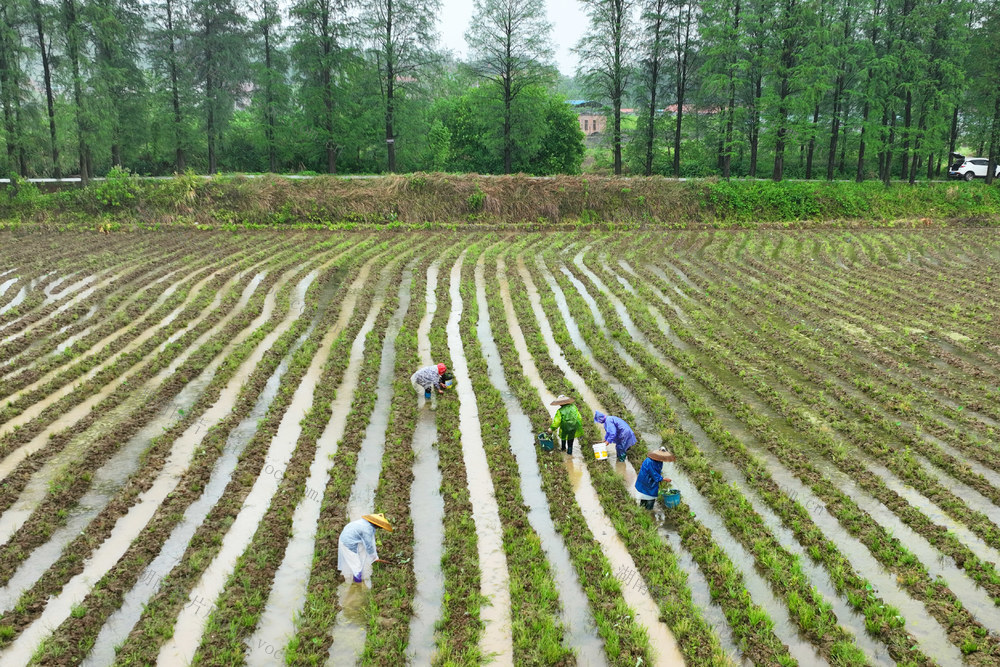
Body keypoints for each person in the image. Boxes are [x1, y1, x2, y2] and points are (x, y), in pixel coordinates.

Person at [337, 513, 392, 584]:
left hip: (349, 536)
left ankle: (358, 575)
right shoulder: (367, 529)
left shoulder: (365, 522)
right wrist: (374, 557)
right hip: (347, 543)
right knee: (357, 566)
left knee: (362, 554)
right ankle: (357, 583)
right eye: (380, 526)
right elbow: (369, 545)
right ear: (377, 525)